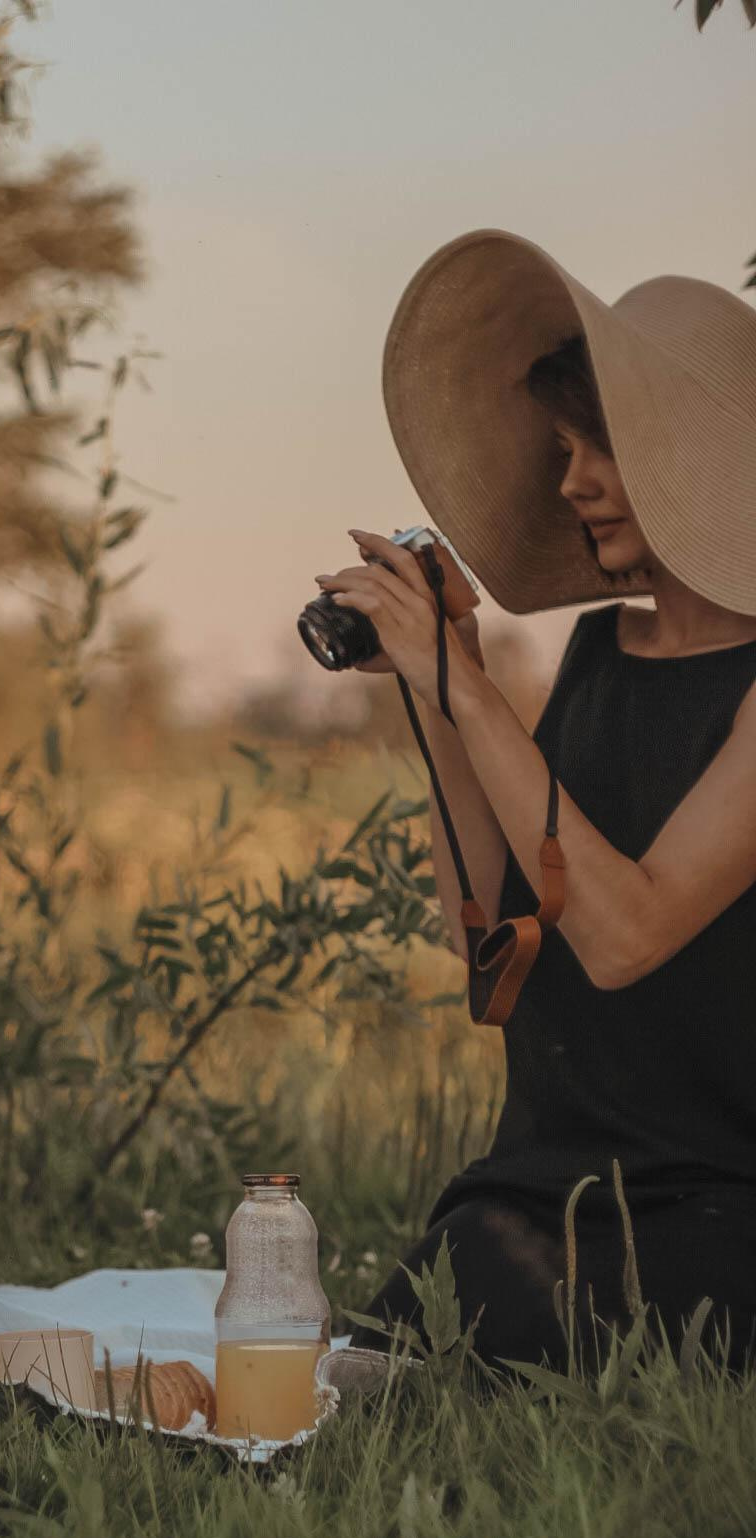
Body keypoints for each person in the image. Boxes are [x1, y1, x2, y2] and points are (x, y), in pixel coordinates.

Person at [315, 228, 756, 1372]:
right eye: (563, 448)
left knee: (472, 1338)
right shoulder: (601, 652)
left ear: (687, 456)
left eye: (595, 449)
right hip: (544, 1184)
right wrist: (443, 682)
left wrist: (464, 686)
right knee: (395, 1335)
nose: (568, 484)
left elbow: (622, 936)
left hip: (714, 1199)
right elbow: (489, 936)